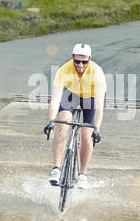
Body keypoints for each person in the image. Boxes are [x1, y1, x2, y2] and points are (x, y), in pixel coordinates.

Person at [44, 43, 106, 189]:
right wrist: (50, 121)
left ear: (89, 59)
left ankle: (83, 175)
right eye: (77, 61)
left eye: (84, 61)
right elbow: (55, 100)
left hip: (90, 99)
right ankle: (56, 169)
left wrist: (96, 129)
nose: (80, 64)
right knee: (62, 124)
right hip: (71, 95)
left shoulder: (97, 72)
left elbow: (99, 107)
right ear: (72, 58)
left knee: (87, 135)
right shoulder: (64, 70)